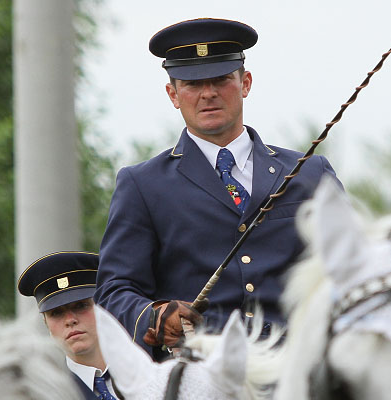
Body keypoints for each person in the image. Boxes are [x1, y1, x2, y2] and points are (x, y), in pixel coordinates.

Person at [95, 17, 341, 358]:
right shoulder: (142, 185)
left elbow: (349, 267)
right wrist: (155, 315)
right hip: (199, 376)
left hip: (300, 368)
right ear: (173, 94)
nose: (208, 93)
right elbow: (113, 289)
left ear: (246, 83)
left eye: (221, 79)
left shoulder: (310, 173)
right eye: (192, 84)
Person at [18, 251, 121, 400]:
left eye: (81, 306)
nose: (70, 320)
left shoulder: (148, 367)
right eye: (56, 313)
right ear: (45, 321)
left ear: (103, 306)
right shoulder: (44, 397)